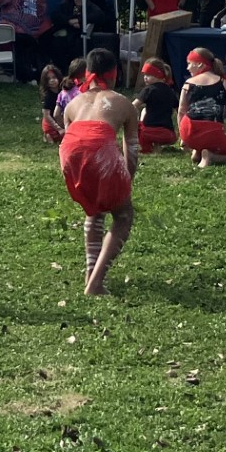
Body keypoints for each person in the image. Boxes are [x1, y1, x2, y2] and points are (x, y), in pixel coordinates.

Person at [58, 49, 140, 295]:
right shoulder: (122, 103)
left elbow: (70, 142)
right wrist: (125, 183)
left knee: (95, 207)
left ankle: (89, 272)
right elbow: (132, 150)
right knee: (123, 215)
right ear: (114, 73)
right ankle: (96, 282)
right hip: (98, 148)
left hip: (69, 154)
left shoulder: (72, 104)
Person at [177, 48, 226, 166]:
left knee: (200, 138)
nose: (187, 68)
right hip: (212, 131)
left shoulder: (188, 83)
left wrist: (183, 138)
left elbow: (181, 112)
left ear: (199, 64)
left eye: (189, 64)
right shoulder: (222, 82)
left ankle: (198, 151)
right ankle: (211, 156)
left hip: (188, 130)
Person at [0, 0, 52, 82]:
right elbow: (42, 10)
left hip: (15, 28)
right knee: (29, 54)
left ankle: (24, 77)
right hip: (32, 29)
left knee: (18, 54)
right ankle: (36, 76)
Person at [135, 59, 179, 153]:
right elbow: (179, 110)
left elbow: (133, 106)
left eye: (149, 75)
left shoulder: (148, 90)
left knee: (141, 117)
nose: (145, 77)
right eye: (145, 75)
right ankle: (157, 146)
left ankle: (146, 148)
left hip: (148, 133)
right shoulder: (171, 91)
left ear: (158, 75)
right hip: (169, 135)